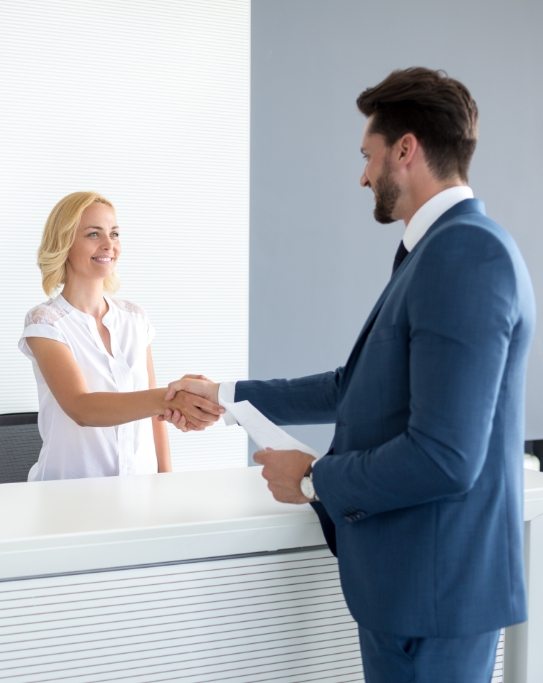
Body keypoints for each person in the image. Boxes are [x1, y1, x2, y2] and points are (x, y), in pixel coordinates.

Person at [164, 68, 536, 682]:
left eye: (368, 155)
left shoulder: (468, 254)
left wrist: (315, 480)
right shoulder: (437, 251)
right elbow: (357, 386)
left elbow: (445, 457)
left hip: (433, 599)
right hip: (416, 594)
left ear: (406, 150)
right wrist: (227, 396)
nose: (363, 175)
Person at [19, 191, 221, 481]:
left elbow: (154, 415)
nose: (108, 245)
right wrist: (170, 399)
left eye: (114, 234)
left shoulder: (135, 319)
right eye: (93, 234)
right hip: (67, 494)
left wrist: (167, 481)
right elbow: (81, 407)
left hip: (140, 490)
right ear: (64, 243)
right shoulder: (45, 323)